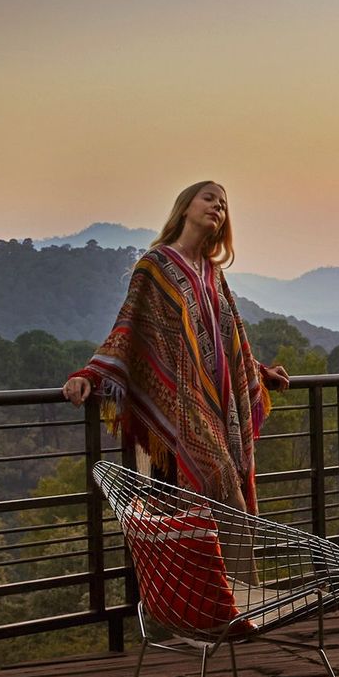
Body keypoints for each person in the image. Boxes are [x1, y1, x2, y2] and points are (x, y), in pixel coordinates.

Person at [64, 182, 291, 511]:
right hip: (183, 406)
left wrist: (259, 371)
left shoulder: (213, 272)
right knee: (232, 504)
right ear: (185, 207)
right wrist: (91, 374)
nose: (217, 207)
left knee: (225, 512)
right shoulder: (155, 265)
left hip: (220, 406)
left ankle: (221, 565)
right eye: (209, 198)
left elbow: (225, 339)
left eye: (223, 205)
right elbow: (128, 328)